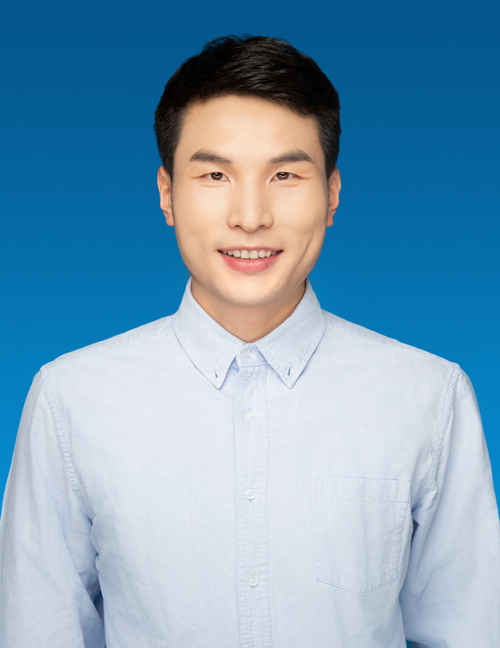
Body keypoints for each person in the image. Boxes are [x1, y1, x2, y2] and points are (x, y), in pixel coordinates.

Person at [0, 34, 498, 648]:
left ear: (332, 194)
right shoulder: (71, 400)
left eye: (285, 174)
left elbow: (472, 631)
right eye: (215, 174)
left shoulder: (428, 396)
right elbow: (36, 630)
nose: (251, 215)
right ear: (167, 193)